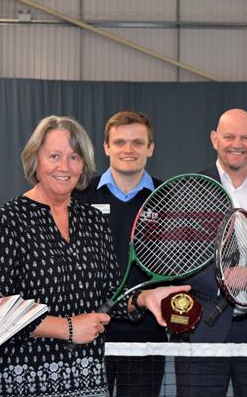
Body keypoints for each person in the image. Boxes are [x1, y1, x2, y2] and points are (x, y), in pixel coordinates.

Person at [0, 115, 188, 397]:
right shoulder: (5, 221)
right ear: (35, 159)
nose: (65, 167)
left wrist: (143, 299)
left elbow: (110, 295)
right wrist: (67, 328)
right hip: (22, 381)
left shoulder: (93, 221)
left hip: (87, 380)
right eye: (54, 156)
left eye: (75, 157)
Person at [174, 108, 247, 397]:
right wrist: (223, 279)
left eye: (244, 137)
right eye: (228, 136)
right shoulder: (188, 191)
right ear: (215, 139)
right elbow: (175, 261)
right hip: (201, 332)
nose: (236, 144)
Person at [73, 110, 165, 396]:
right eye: (120, 142)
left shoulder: (168, 197)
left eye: (138, 143)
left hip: (146, 337)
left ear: (150, 148)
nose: (129, 150)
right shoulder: (80, 195)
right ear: (106, 147)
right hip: (88, 333)